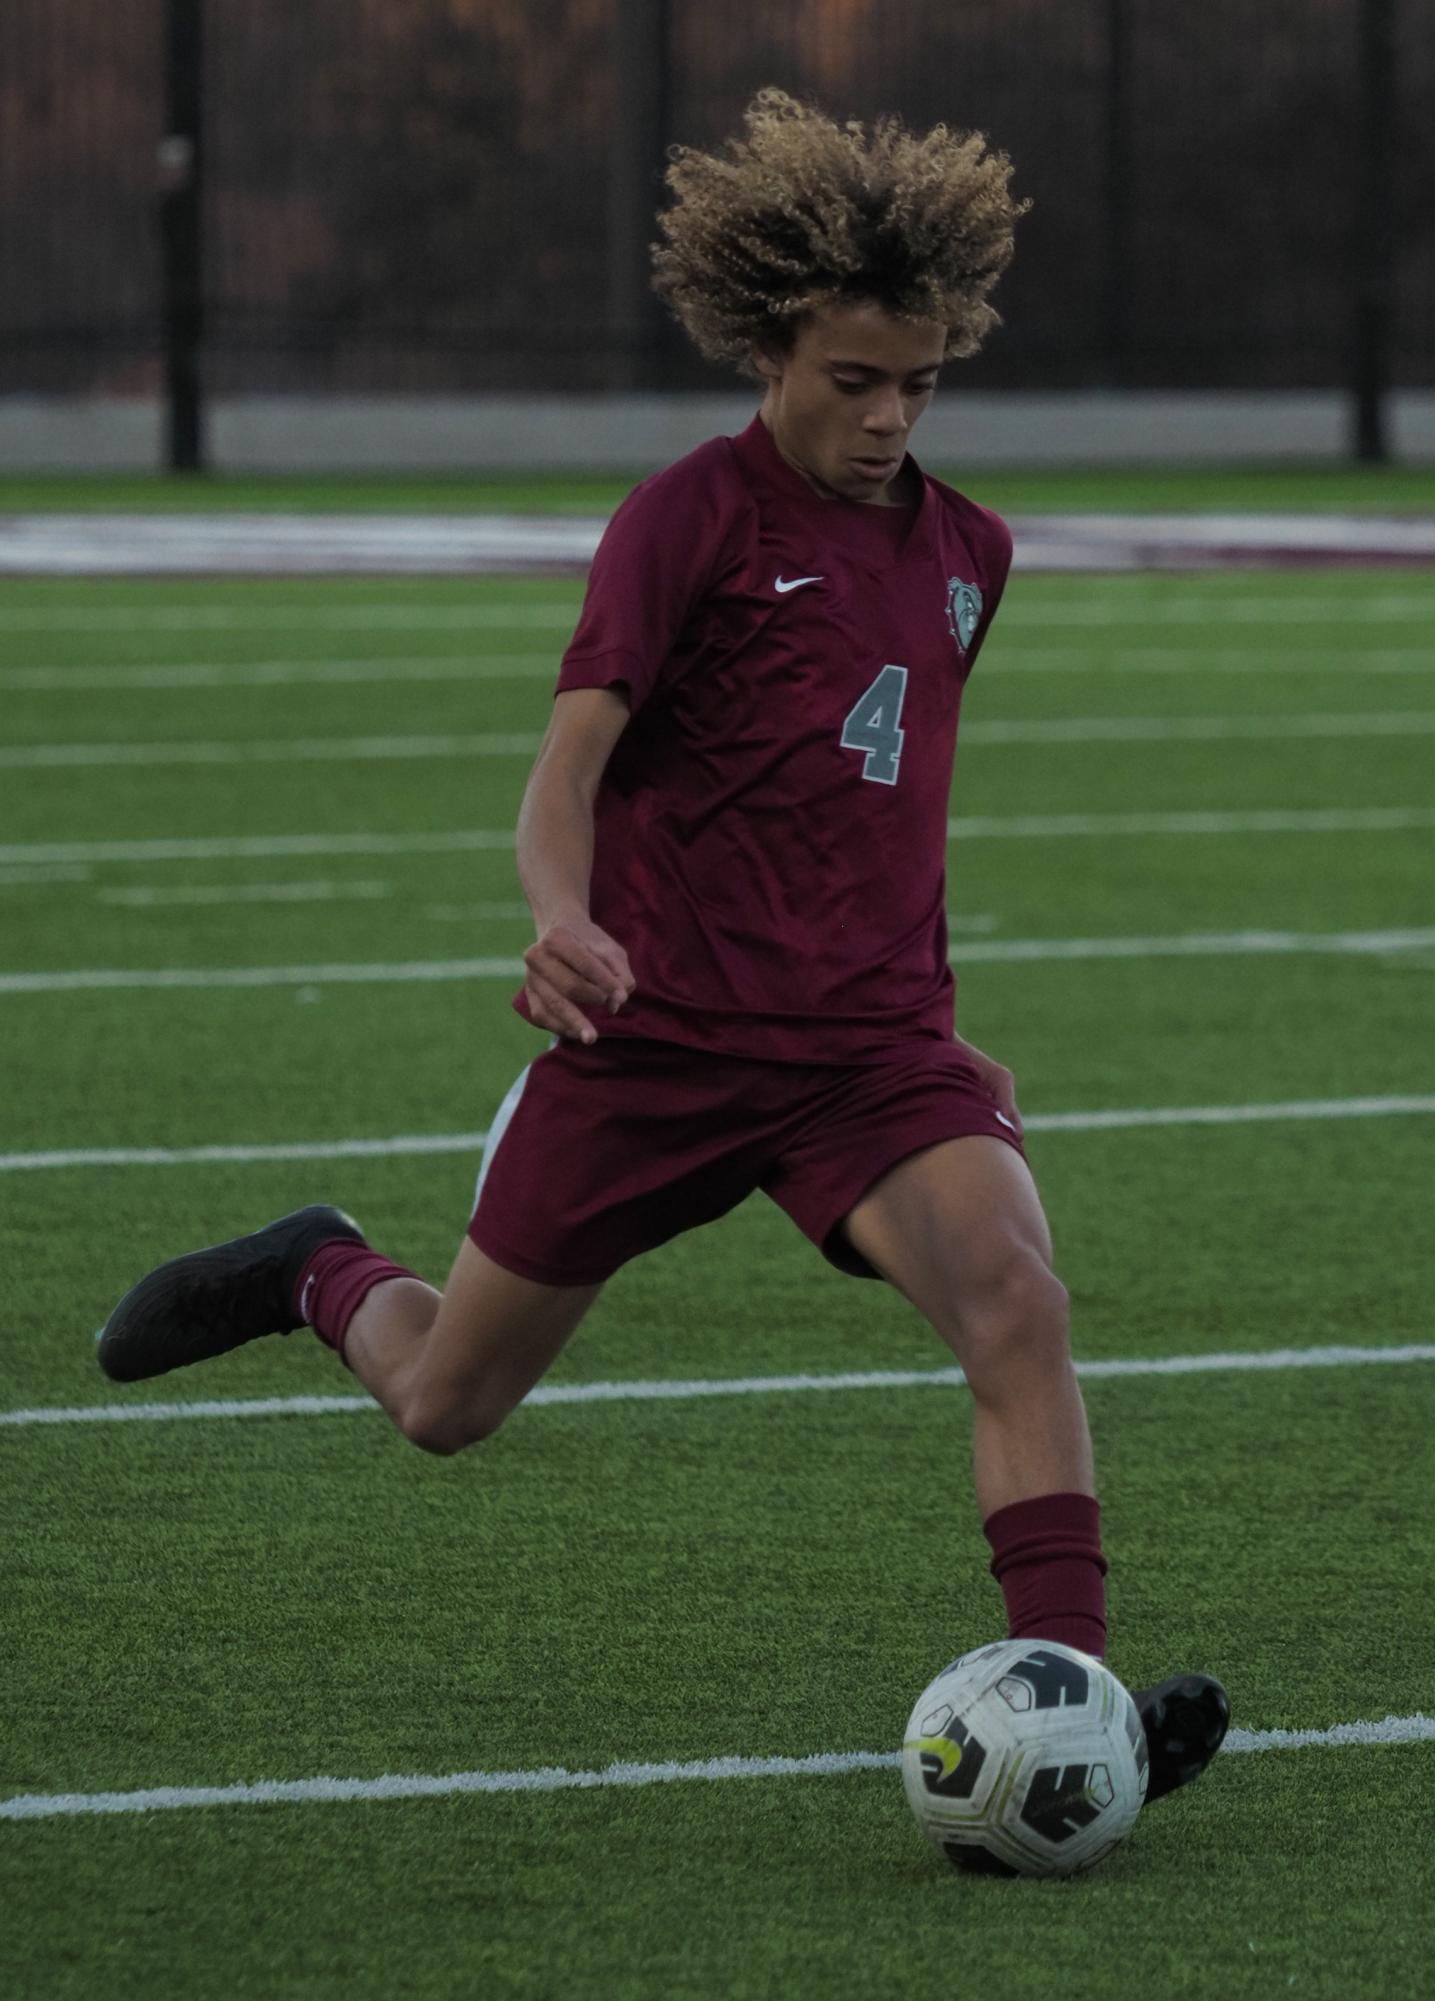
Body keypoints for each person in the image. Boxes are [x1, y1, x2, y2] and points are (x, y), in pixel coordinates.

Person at [99, 89, 1227, 1814]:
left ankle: (1074, 1696)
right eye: (852, 379)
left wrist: (949, 1026)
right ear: (770, 344)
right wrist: (563, 916)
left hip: (867, 1054)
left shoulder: (970, 557)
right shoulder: (685, 520)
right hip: (662, 1043)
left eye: (917, 381)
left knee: (1016, 1299)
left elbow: (877, 804)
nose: (885, 416)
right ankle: (315, 1266)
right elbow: (570, 767)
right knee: (445, 1404)